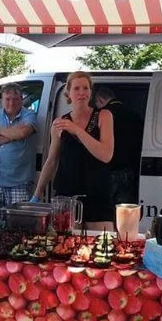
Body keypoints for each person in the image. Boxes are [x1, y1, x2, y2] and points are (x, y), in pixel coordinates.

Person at [31, 71, 114, 228]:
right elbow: (51, 161)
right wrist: (37, 194)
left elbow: (106, 155)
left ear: (91, 91)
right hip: (67, 193)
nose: (82, 92)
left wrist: (77, 130)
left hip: (97, 192)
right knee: (67, 240)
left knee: (103, 241)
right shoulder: (59, 123)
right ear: (68, 93)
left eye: (85, 88)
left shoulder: (104, 115)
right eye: (76, 88)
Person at [0, 83, 37, 222]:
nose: (11, 103)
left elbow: (23, 132)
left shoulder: (29, 114)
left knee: (18, 224)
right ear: (2, 100)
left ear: (22, 99)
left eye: (15, 99)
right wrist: (13, 135)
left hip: (19, 182)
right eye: (7, 99)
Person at [94, 86, 143, 208]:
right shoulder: (133, 113)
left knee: (106, 209)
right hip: (129, 170)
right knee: (124, 209)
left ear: (100, 100)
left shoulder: (103, 115)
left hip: (109, 170)